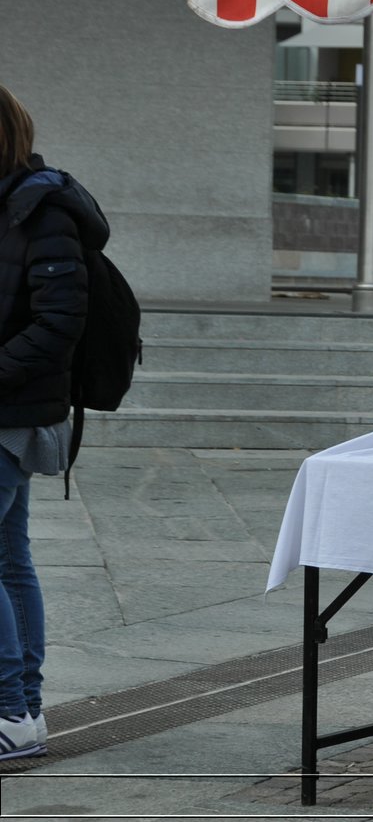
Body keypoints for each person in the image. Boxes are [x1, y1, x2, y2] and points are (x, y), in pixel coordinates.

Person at [0, 85, 107, 759]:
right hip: (13, 406)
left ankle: (10, 708)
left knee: (9, 560)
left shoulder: (40, 211)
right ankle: (25, 711)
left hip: (12, 412)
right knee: (11, 558)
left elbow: (62, 321)